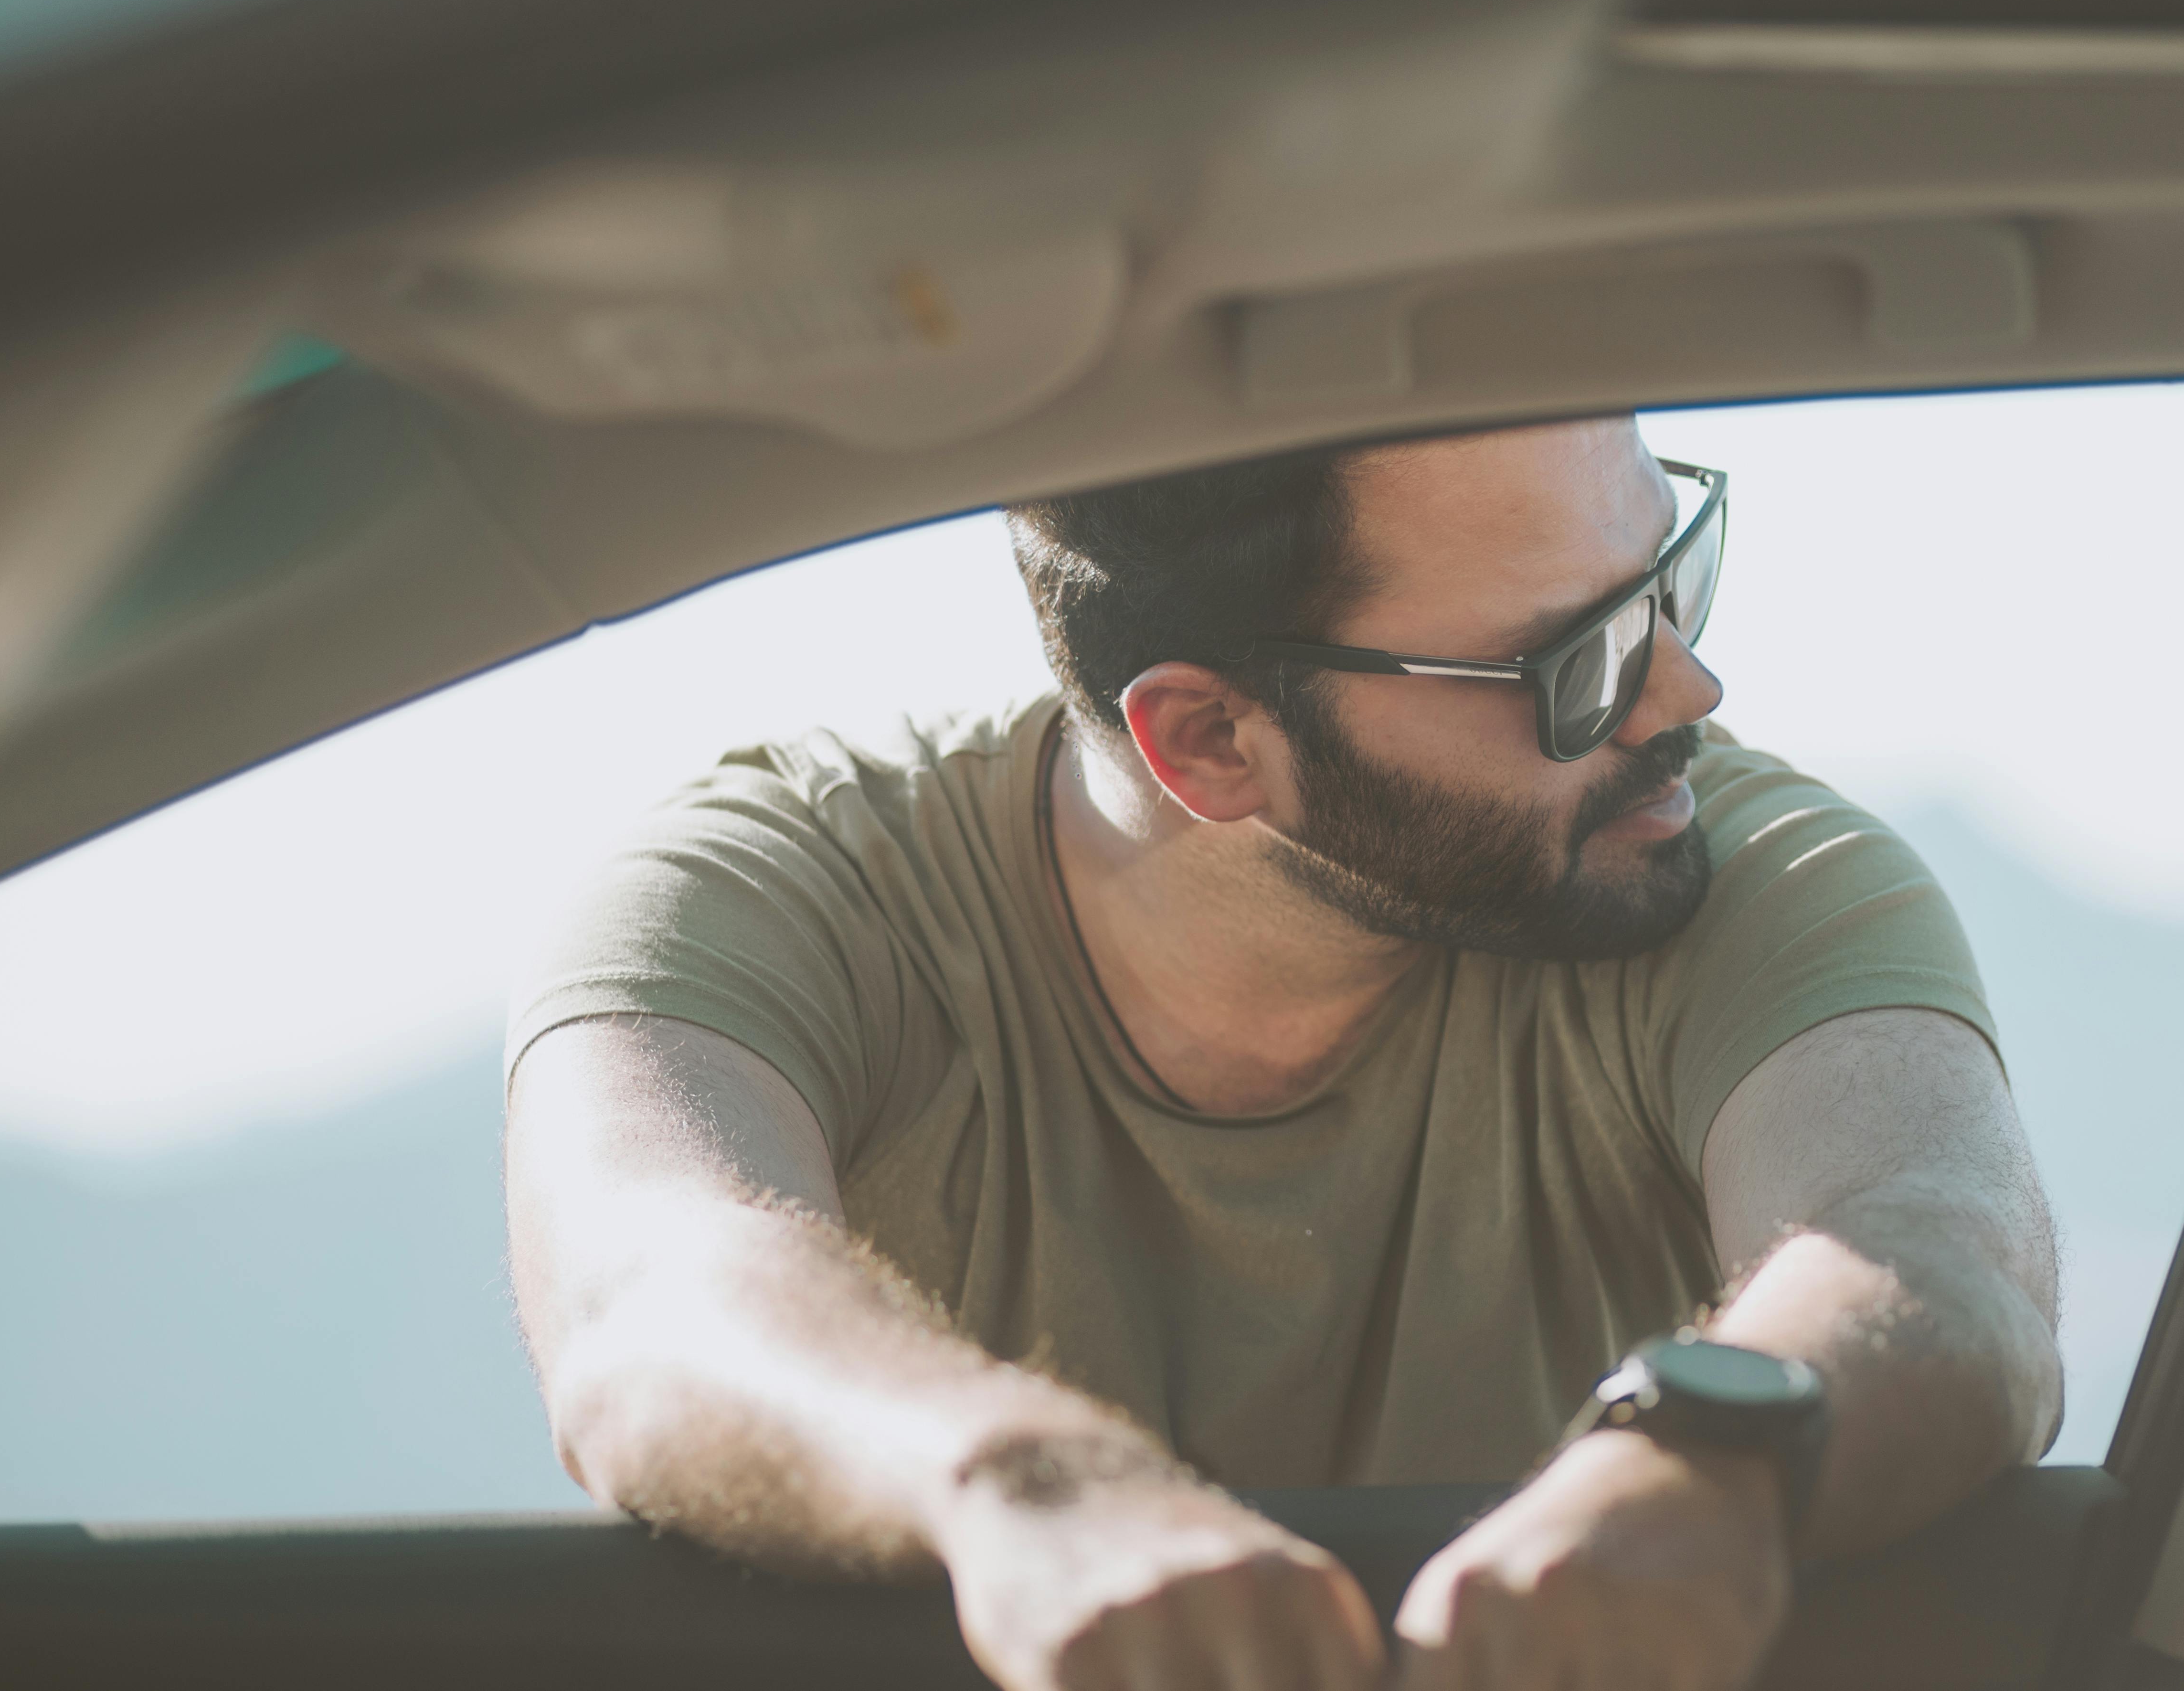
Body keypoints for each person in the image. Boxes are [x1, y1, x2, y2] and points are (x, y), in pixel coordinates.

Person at [503, 416, 2063, 1691]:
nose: (1685, 692)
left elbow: (1938, 1240)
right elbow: (647, 1304)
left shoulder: (1722, 857)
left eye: (1674, 574)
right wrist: (1017, 1478)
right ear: (1214, 745)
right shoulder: (774, 887)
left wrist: (1706, 1454)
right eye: (1574, 662)